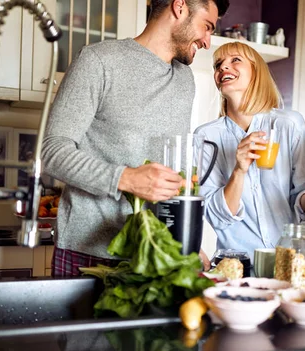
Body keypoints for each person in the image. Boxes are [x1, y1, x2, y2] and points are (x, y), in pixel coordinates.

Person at [41, 0, 230, 277]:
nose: (207, 40)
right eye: (207, 26)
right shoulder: (99, 61)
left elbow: (171, 174)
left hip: (154, 254)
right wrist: (126, 179)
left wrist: (183, 242)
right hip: (89, 254)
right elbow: (52, 151)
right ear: (180, 7)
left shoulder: (184, 80)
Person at [195, 42, 305, 265]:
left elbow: (303, 193)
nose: (223, 68)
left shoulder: (288, 124)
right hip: (236, 265)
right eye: (218, 64)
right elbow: (217, 215)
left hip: (288, 261)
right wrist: (239, 170)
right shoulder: (206, 137)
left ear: (256, 71)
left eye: (235, 60)